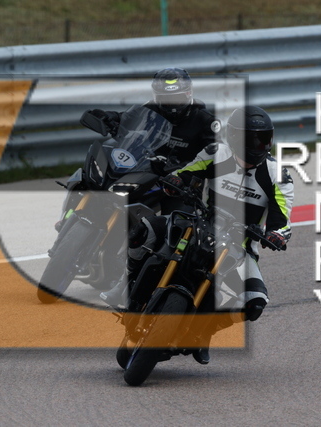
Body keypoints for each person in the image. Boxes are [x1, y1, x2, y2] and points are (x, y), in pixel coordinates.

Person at [100, 106, 294, 365]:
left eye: (264, 139)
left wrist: (277, 235)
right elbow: (184, 173)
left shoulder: (278, 175)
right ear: (235, 137)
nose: (259, 145)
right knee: (146, 228)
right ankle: (121, 287)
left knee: (255, 301)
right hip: (197, 225)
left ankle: (205, 331)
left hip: (238, 247)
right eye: (252, 139)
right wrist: (175, 182)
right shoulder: (216, 153)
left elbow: (282, 220)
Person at [86, 67, 220, 169]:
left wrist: (184, 167)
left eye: (177, 97)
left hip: (183, 180)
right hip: (147, 170)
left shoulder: (206, 120)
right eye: (167, 99)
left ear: (189, 93)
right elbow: (126, 118)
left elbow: (215, 156)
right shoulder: (151, 108)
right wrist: (108, 116)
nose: (172, 103)